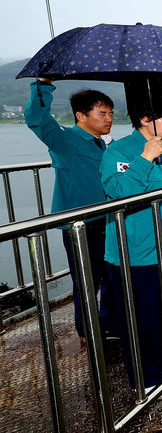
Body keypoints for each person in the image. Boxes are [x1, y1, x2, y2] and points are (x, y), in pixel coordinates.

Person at [24, 79, 117, 340]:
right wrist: (42, 86)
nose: (109, 118)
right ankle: (88, 331)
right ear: (81, 116)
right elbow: (37, 119)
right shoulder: (65, 140)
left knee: (111, 275)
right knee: (87, 281)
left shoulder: (105, 143)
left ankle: (110, 324)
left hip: (108, 220)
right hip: (81, 225)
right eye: (102, 113)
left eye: (110, 113)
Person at [100, 92, 162, 400]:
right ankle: (144, 379)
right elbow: (118, 193)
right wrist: (144, 158)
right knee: (139, 318)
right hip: (131, 253)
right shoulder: (119, 152)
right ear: (146, 119)